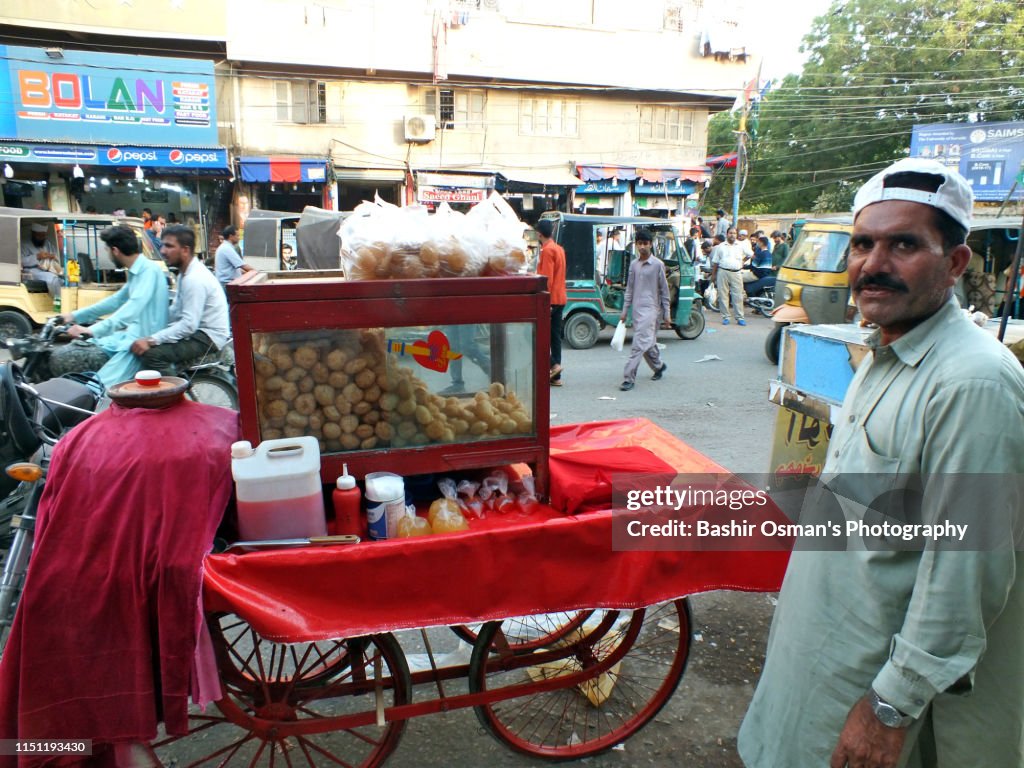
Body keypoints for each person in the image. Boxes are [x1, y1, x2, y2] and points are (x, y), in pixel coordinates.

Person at [739, 158, 1024, 768]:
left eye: (904, 245)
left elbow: (964, 577)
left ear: (954, 263)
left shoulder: (972, 382)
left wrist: (890, 709)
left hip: (872, 696)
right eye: (863, 244)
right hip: (820, 664)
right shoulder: (882, 351)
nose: (873, 264)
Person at [49, 225, 169, 389]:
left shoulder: (148, 271)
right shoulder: (137, 271)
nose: (107, 253)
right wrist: (71, 316)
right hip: (126, 338)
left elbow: (130, 310)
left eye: (107, 250)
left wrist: (91, 330)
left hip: (139, 344)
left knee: (97, 388)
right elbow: (114, 301)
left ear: (115, 250)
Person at [131, 224, 230, 374]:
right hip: (198, 331)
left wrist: (152, 340)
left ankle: (174, 395)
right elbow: (175, 311)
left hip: (207, 337)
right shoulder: (184, 274)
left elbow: (188, 325)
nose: (163, 251)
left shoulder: (194, 279)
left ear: (185, 250)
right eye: (163, 245)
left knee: (153, 355)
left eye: (169, 246)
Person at [618, 229, 670, 391]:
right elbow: (630, 289)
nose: (642, 247)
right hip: (637, 311)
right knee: (647, 343)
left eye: (645, 243)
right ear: (636, 245)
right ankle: (659, 366)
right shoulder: (634, 265)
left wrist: (667, 313)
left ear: (651, 244)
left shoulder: (658, 265)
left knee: (639, 343)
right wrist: (625, 311)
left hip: (652, 311)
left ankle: (628, 377)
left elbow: (664, 290)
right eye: (639, 244)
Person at [535, 219, 566, 386]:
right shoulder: (559, 249)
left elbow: (546, 279)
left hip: (551, 298)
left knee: (538, 335)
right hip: (561, 297)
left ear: (539, 233)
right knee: (555, 337)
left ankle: (553, 365)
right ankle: (556, 376)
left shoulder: (546, 251)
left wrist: (544, 300)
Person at [711, 227, 746, 325]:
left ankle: (740, 318)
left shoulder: (741, 245)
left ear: (736, 235)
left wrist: (742, 262)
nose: (732, 235)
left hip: (736, 272)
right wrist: (713, 275)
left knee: (738, 295)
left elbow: (750, 254)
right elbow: (715, 262)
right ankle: (726, 317)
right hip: (723, 272)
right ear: (727, 234)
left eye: (734, 233)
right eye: (730, 233)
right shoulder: (720, 246)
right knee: (723, 295)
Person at [20, 222, 62, 298]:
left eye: (43, 235)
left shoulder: (47, 243)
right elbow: (21, 261)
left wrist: (51, 256)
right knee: (54, 279)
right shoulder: (24, 244)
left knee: (66, 277)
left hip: (49, 269)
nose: (41, 237)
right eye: (39, 235)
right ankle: (58, 304)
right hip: (32, 271)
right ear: (33, 233)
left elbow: (55, 256)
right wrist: (37, 256)